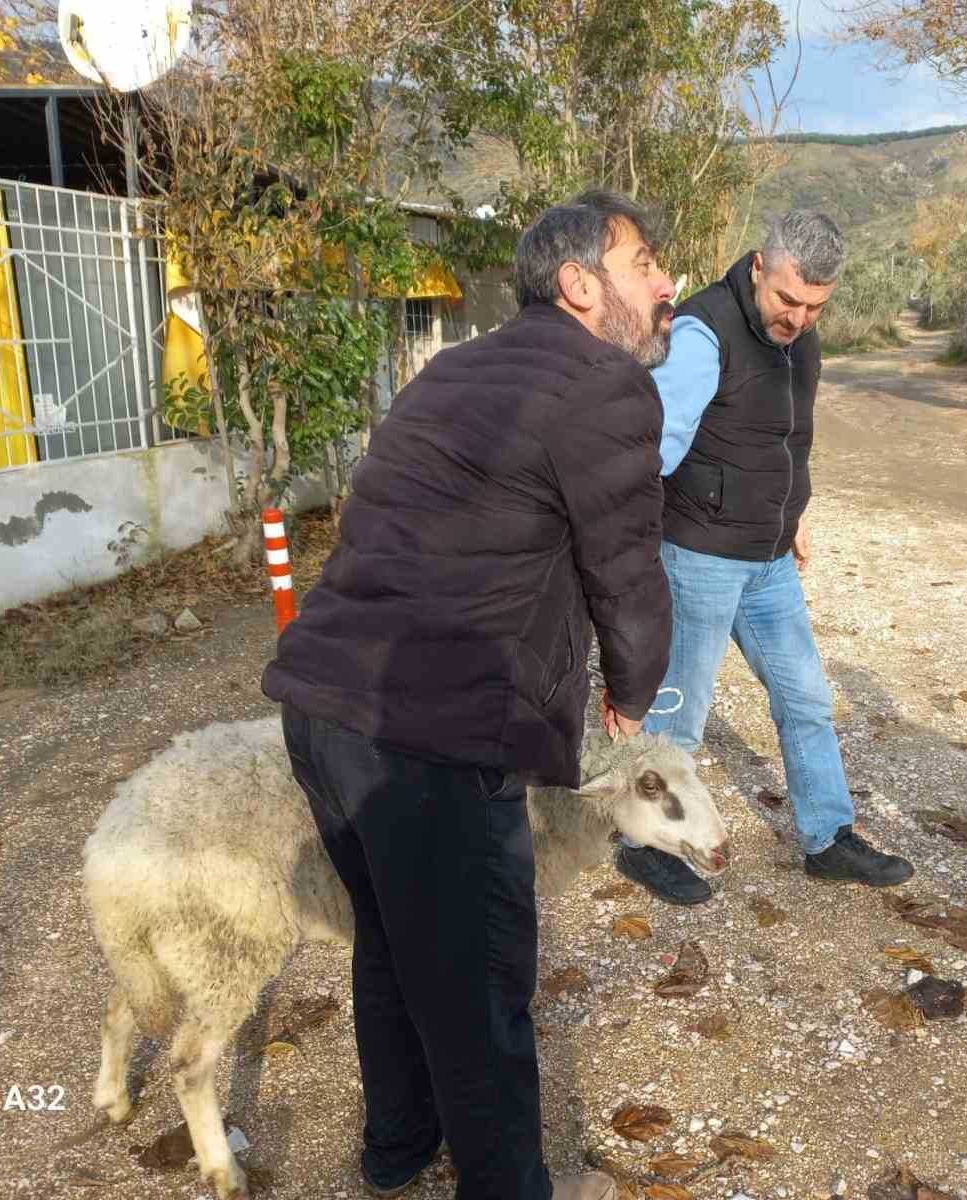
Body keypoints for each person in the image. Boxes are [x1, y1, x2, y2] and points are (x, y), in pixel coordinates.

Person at [260, 190, 677, 1200]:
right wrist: (632, 689)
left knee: (396, 950)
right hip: (428, 735)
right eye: (645, 266)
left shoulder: (454, 365)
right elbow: (624, 567)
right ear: (581, 286)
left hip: (322, 707)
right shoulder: (604, 384)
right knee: (480, 988)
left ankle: (396, 1150)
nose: (667, 286)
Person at [616, 210, 917, 906]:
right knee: (679, 715)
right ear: (758, 266)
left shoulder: (801, 341)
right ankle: (644, 844)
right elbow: (652, 450)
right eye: (787, 299)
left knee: (806, 698)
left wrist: (795, 512)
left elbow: (784, 439)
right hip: (698, 556)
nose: (798, 318)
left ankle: (826, 839)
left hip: (769, 557)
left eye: (815, 306)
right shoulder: (700, 333)